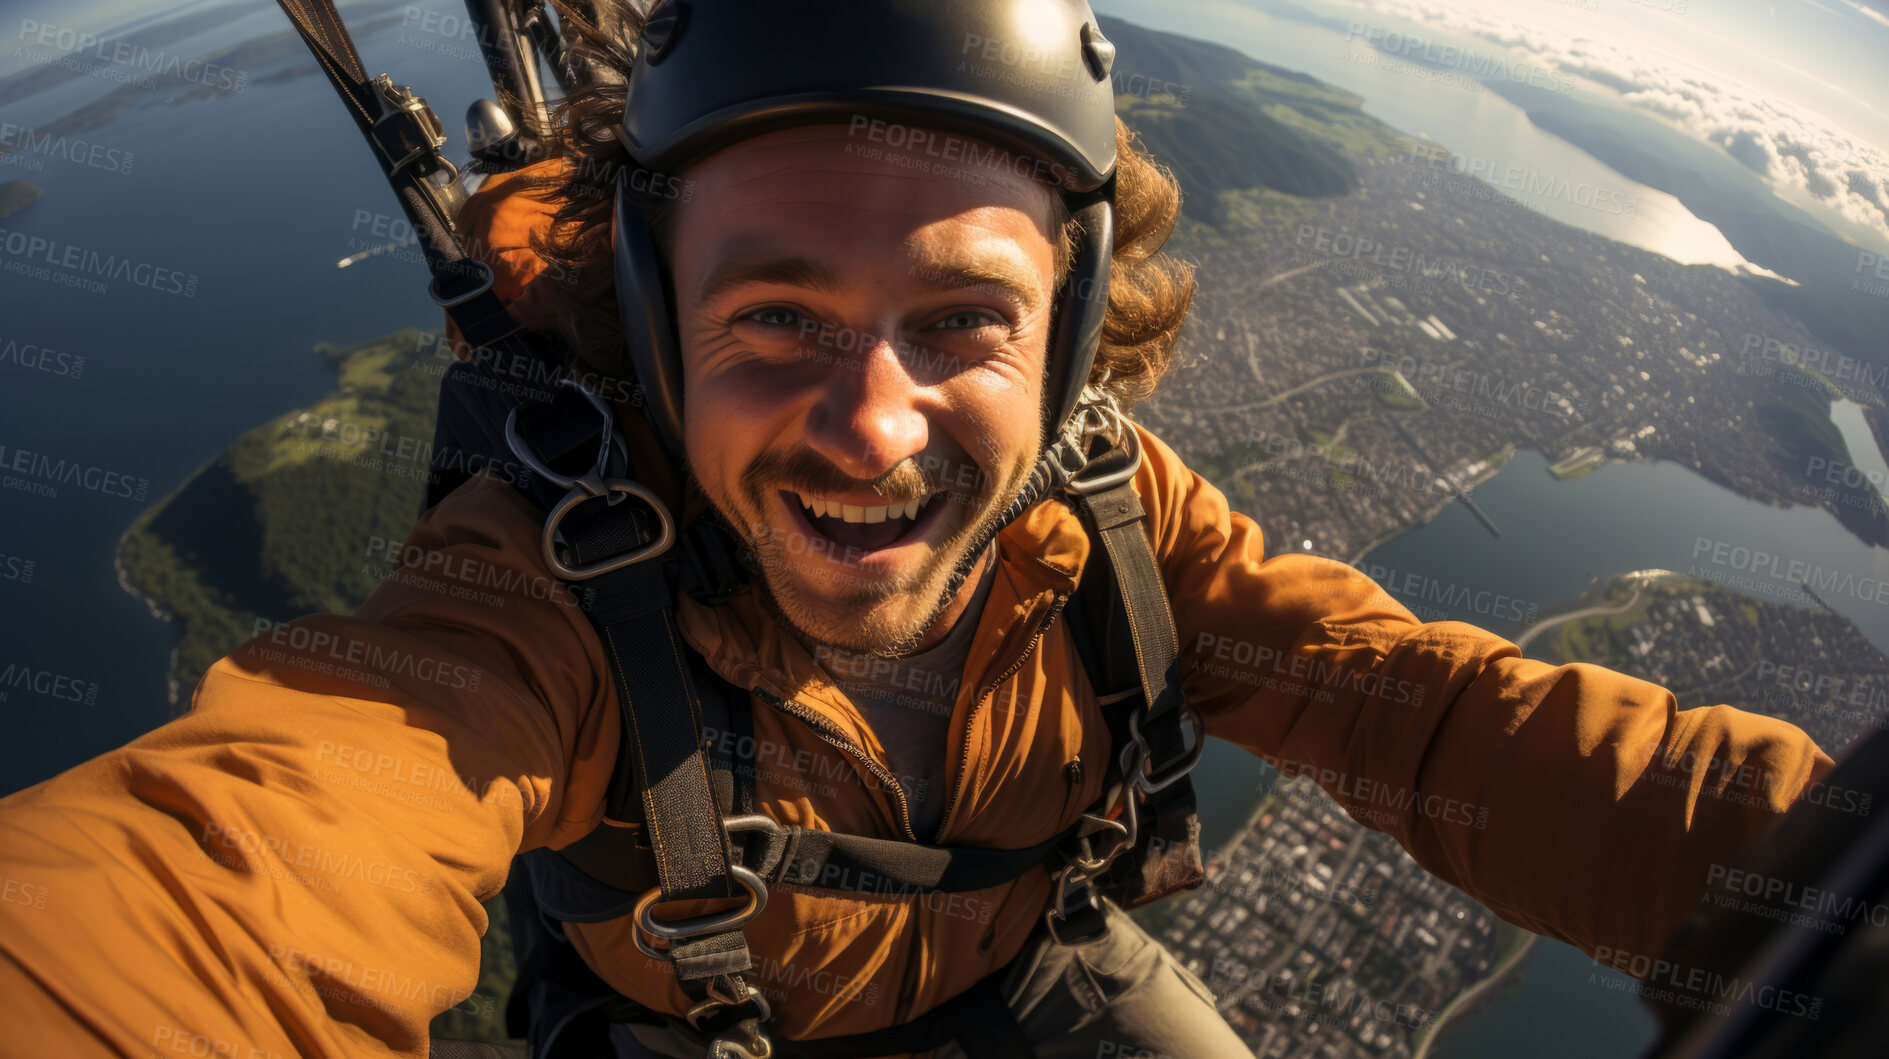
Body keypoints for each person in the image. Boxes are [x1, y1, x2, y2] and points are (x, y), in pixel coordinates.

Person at [0, 1, 1837, 1057]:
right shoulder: (538, 595)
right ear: (652, 335)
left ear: (1065, 331)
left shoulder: (1111, 511)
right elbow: (251, 857)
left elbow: (1429, 714)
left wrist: (1825, 891)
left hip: (1043, 978)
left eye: (962, 321)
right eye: (776, 317)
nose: (871, 424)